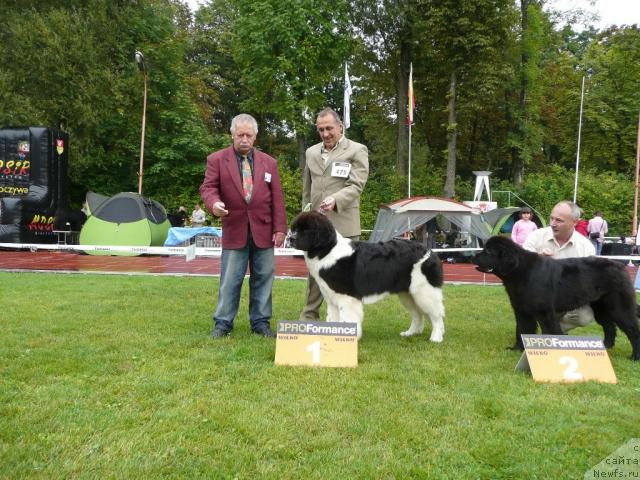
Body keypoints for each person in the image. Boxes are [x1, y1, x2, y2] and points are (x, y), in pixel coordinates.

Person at [199, 113, 287, 338]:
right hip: (234, 228)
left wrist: (280, 229)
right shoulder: (216, 160)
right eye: (240, 135)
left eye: (249, 135)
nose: (244, 139)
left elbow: (277, 198)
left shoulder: (270, 163)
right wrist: (214, 204)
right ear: (232, 135)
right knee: (230, 279)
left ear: (255, 137)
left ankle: (260, 322)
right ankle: (223, 324)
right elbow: (208, 188)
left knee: (264, 277)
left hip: (264, 230)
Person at [299, 107, 369, 321]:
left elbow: (356, 185)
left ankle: (349, 320)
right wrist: (304, 219)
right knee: (315, 274)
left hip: (344, 224)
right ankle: (310, 315)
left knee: (346, 275)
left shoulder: (357, 150)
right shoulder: (311, 152)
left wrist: (336, 199)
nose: (325, 133)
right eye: (320, 129)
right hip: (317, 229)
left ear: (340, 126)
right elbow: (307, 190)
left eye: (329, 128)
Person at [522, 200, 595, 331]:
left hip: (569, 296)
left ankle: (553, 331)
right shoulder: (536, 236)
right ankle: (548, 330)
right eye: (551, 218)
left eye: (559, 220)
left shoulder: (586, 247)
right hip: (538, 295)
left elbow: (589, 281)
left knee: (584, 316)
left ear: (575, 222)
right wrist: (538, 259)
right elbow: (520, 268)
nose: (552, 224)